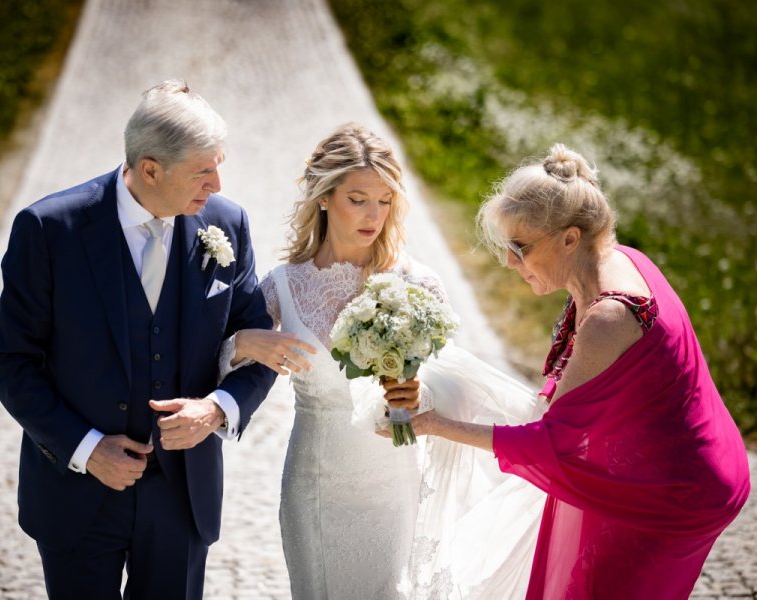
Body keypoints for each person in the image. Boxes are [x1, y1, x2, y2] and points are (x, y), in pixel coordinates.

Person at [412, 143, 751, 599]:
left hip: (679, 491)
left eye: (520, 247)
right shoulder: (616, 258)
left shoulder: (610, 316)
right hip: (665, 464)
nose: (510, 262)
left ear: (570, 238)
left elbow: (552, 445)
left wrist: (436, 425)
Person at [221, 123, 546, 599]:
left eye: (385, 200)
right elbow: (218, 360)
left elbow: (452, 383)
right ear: (324, 196)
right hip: (313, 483)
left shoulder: (417, 281)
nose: (373, 214)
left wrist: (420, 394)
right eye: (358, 199)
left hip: (392, 485)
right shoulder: (282, 285)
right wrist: (246, 343)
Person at [0, 80, 276, 599]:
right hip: (77, 492)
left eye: (218, 164)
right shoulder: (50, 230)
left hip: (182, 494)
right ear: (150, 169)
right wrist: (88, 449)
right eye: (203, 170)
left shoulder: (227, 224)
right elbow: (9, 360)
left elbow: (258, 345)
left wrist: (216, 410)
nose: (217, 183)